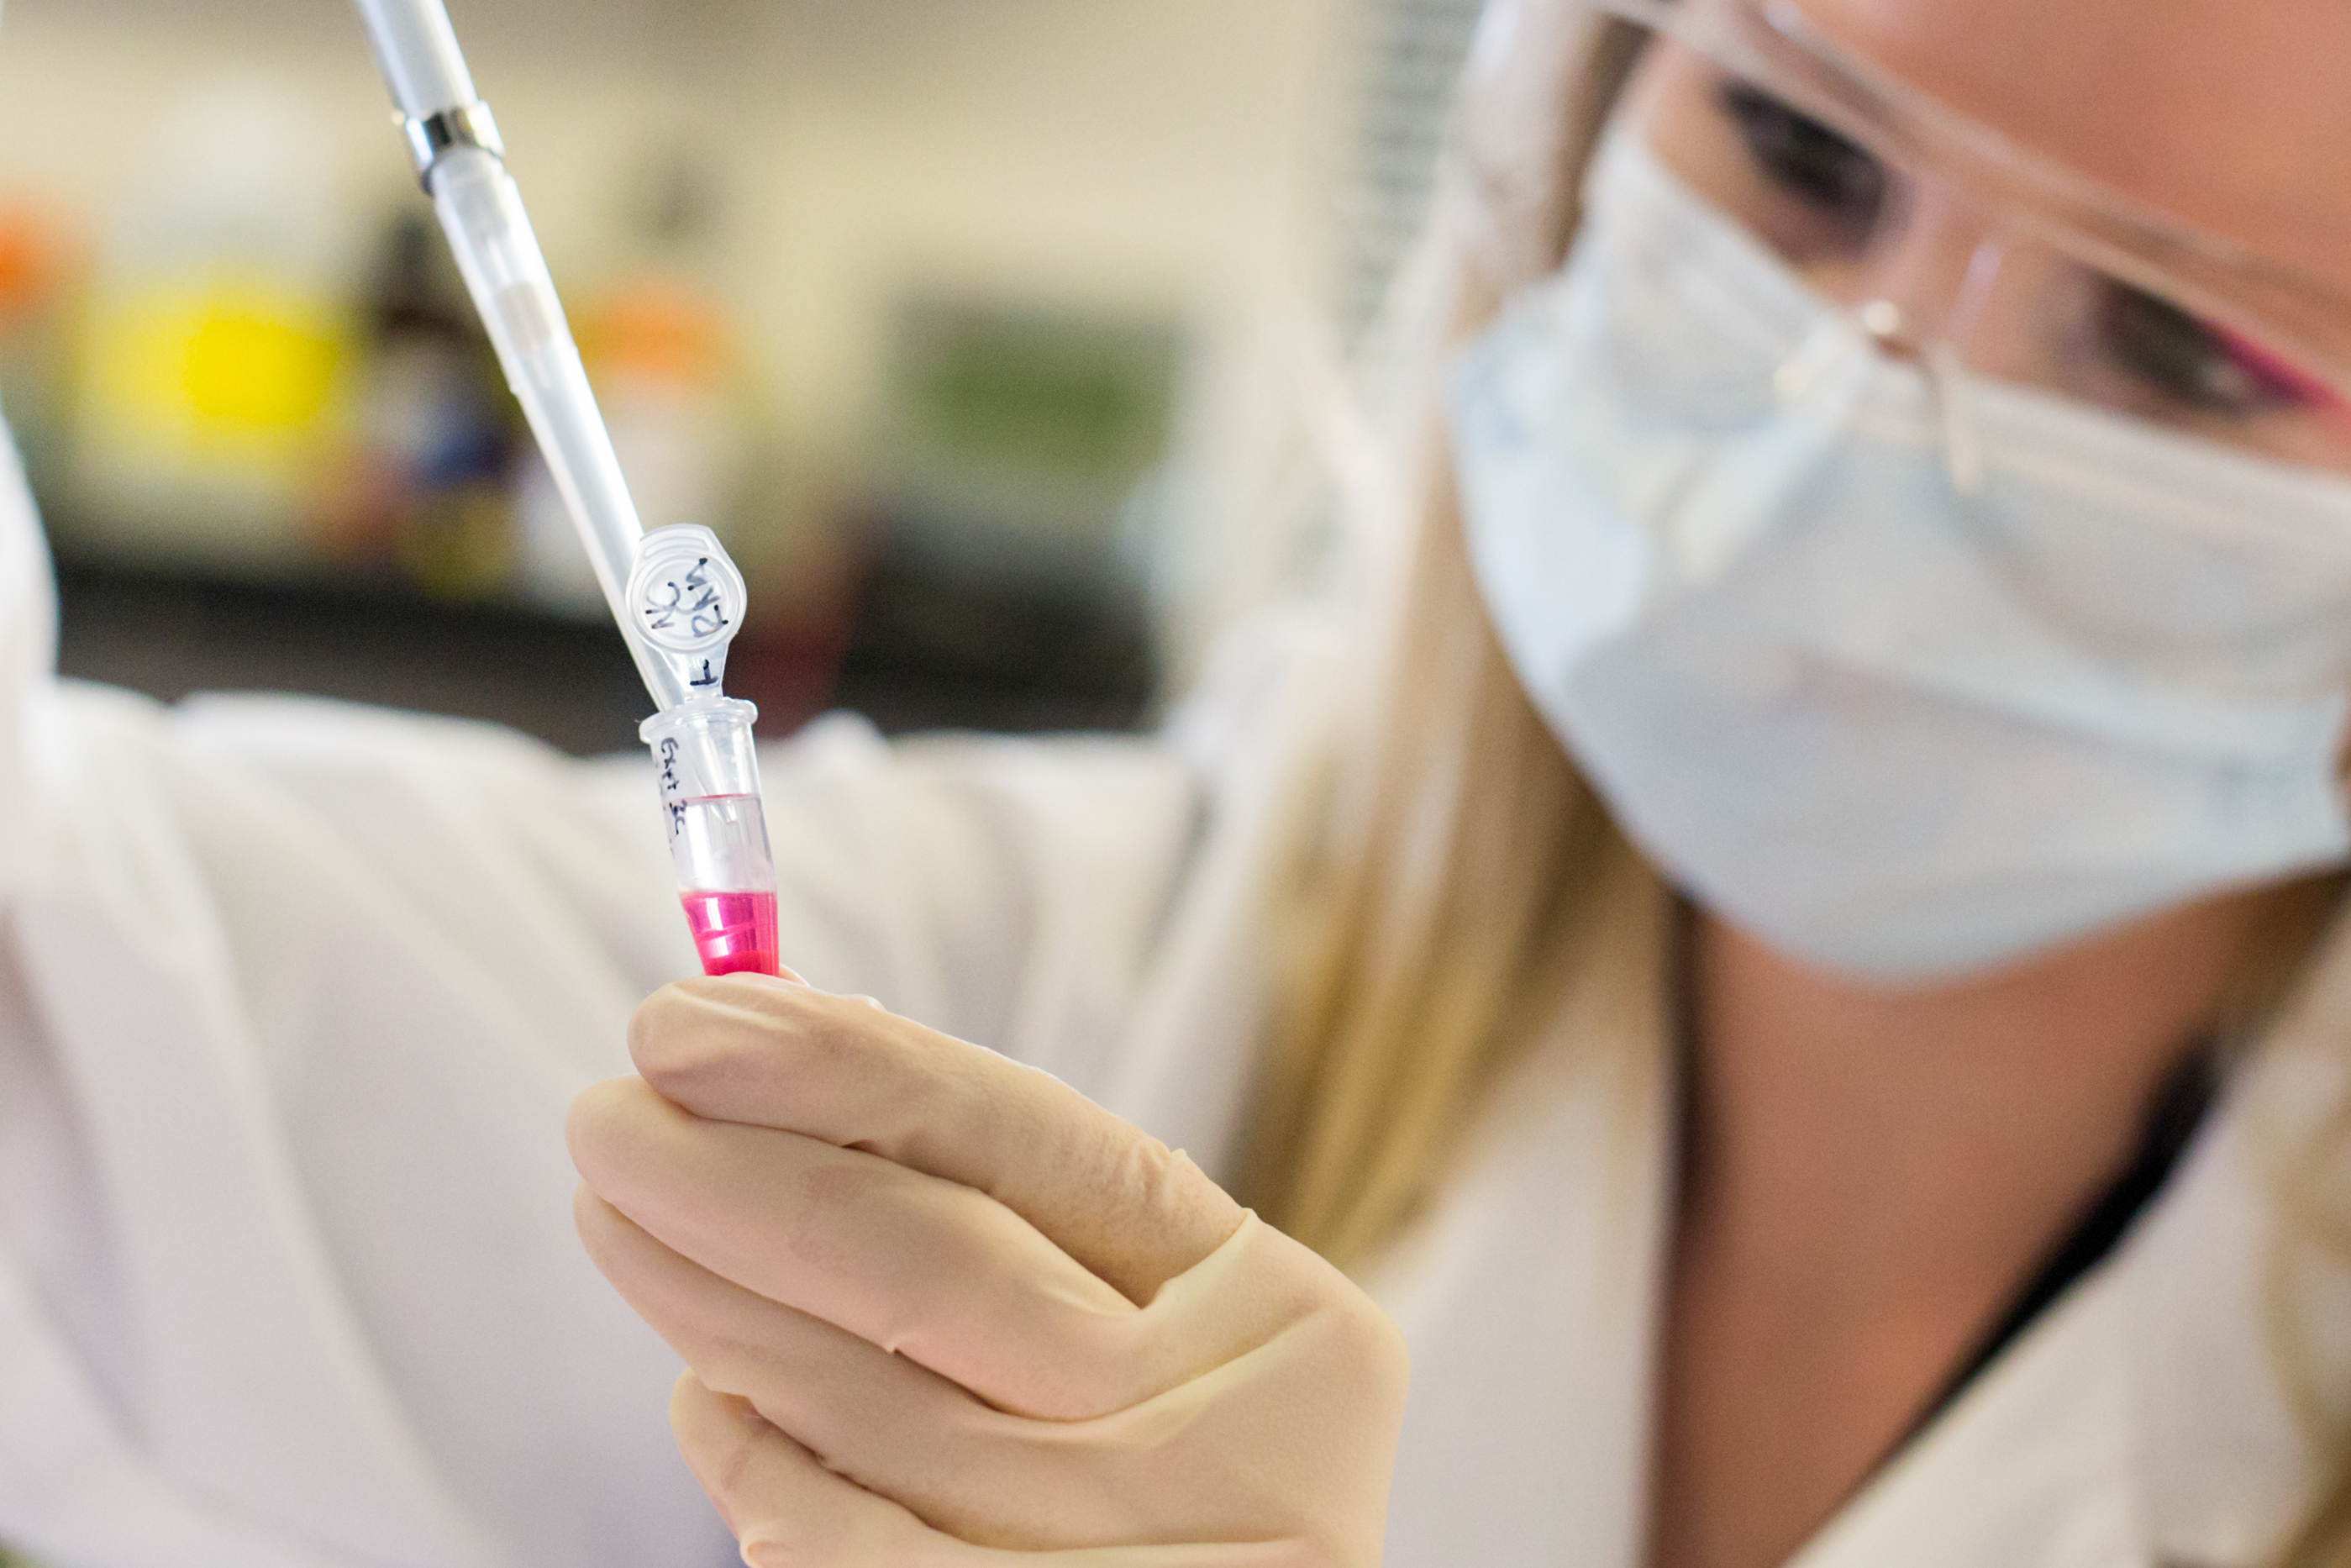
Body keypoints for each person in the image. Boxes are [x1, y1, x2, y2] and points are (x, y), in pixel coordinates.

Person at [4, 1, 2349, 1566]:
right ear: (1582, 109)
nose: (1857, 404)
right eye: (1802, 145)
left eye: (2181, 341)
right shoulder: (1068, 987)